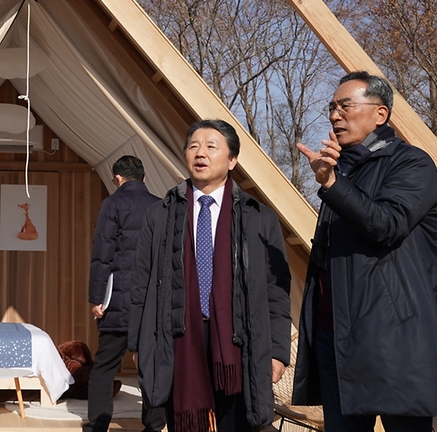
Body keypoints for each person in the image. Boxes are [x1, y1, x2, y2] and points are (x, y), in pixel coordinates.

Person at [293, 71, 437, 431]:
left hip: (394, 340)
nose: (335, 115)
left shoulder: (411, 164)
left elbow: (386, 225)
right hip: (336, 336)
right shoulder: (343, 170)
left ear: (380, 114)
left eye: (345, 106)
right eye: (332, 107)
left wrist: (333, 184)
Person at [128, 120, 291, 432]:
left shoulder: (259, 217)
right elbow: (141, 283)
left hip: (238, 341)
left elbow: (276, 291)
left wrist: (279, 352)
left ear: (232, 160)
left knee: (238, 423)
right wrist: (138, 344)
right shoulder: (160, 213)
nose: (199, 153)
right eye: (193, 146)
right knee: (184, 422)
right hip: (178, 336)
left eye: (210, 147)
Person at [84, 155, 165, 432]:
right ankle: (154, 426)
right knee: (151, 366)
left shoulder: (113, 204)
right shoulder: (160, 205)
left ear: (118, 178)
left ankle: (98, 425)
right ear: (143, 177)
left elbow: (102, 255)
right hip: (152, 302)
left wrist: (96, 298)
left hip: (119, 301)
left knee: (105, 366)